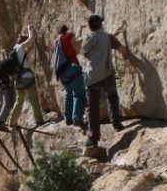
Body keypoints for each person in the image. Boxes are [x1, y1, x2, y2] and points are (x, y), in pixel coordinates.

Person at [81, 14, 131, 146]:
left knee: (92, 107)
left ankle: (93, 138)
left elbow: (91, 50)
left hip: (91, 77)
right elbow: (123, 51)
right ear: (101, 24)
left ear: (90, 27)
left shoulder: (88, 39)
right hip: (107, 73)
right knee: (112, 97)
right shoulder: (108, 37)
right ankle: (116, 124)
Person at [8, 25, 44, 127]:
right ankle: (39, 120)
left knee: (19, 101)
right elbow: (31, 38)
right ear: (22, 42)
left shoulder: (13, 50)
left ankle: (12, 122)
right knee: (34, 99)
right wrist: (29, 29)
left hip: (18, 79)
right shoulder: (20, 47)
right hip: (27, 77)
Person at [53, 23, 86, 131]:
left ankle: (68, 118)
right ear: (66, 29)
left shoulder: (57, 41)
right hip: (72, 66)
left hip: (62, 70)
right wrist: (79, 42)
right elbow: (76, 51)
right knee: (78, 93)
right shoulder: (69, 36)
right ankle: (77, 118)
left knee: (68, 94)